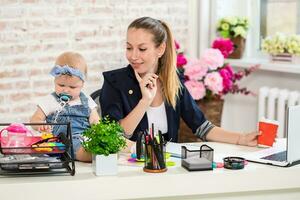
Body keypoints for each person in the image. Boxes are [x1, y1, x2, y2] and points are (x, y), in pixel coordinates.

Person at [100, 17, 259, 152]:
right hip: (128, 168)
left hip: (167, 167)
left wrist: (241, 138)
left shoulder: (172, 81)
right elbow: (115, 138)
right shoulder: (114, 82)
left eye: (142, 49)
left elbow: (202, 127)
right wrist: (145, 102)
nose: (133, 56)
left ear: (160, 49)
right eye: (129, 47)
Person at [30, 51, 100, 161]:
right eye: (61, 85)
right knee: (76, 147)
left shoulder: (86, 101)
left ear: (82, 85)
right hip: (61, 141)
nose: (66, 90)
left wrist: (98, 131)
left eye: (72, 87)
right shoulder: (50, 100)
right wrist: (40, 126)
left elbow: (95, 119)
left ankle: (105, 150)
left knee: (105, 141)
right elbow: (35, 118)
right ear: (54, 80)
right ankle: (91, 155)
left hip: (85, 137)